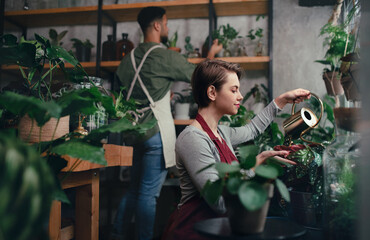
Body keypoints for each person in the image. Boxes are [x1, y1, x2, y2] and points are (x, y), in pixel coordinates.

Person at [162, 59, 311, 240]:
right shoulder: (192, 139)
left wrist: (280, 101)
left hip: (220, 228)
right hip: (195, 232)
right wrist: (254, 166)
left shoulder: (222, 133)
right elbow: (221, 202)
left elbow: (252, 130)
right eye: (234, 90)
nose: (240, 96)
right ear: (212, 92)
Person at [110, 6, 222, 240]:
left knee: (132, 191)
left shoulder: (126, 60)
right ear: (157, 25)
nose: (168, 28)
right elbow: (200, 75)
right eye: (167, 23)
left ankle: (117, 234)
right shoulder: (164, 55)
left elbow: (118, 99)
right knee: (148, 195)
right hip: (155, 133)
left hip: (133, 132)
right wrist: (210, 55)